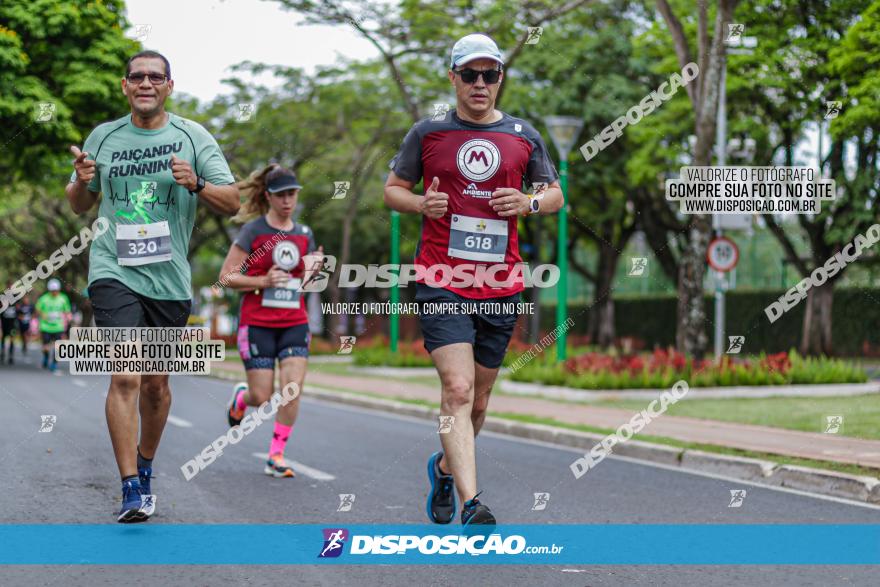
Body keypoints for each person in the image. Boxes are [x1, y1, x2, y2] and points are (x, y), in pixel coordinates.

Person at [384, 33, 562, 526]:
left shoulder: (524, 135)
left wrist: (528, 202)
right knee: (458, 390)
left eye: (490, 74)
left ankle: (443, 468)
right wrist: (421, 203)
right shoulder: (428, 133)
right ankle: (472, 502)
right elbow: (393, 189)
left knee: (480, 400)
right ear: (453, 78)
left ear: (500, 78)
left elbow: (554, 195)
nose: (480, 83)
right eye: (470, 74)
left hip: (502, 283)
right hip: (442, 276)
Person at [64, 50, 239, 522]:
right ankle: (128, 489)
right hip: (112, 269)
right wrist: (82, 182)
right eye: (137, 76)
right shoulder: (103, 136)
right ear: (125, 86)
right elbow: (80, 202)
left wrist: (198, 183)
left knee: (156, 387)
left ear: (168, 85)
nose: (145, 83)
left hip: (169, 279)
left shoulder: (192, 136)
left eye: (154, 77)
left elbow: (233, 201)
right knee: (125, 374)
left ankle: (144, 466)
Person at [220, 164, 321, 478]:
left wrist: (314, 270)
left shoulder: (305, 234)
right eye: (281, 195)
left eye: (292, 194)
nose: (288, 201)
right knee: (262, 397)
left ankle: (276, 454)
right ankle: (242, 397)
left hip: (294, 322)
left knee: (291, 389)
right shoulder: (253, 232)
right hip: (257, 323)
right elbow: (226, 277)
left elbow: (305, 281)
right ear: (268, 196)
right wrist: (262, 280)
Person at [35, 279, 71, 372]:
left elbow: (67, 311)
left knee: (58, 346)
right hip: (46, 326)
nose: (55, 292)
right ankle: (46, 357)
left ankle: (54, 363)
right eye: (53, 290)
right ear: (49, 290)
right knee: (46, 347)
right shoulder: (44, 299)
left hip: (58, 326)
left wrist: (68, 318)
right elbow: (37, 310)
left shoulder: (63, 298)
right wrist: (44, 316)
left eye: (56, 290)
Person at [1, 288, 17, 364]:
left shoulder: (15, 304)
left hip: (12, 326)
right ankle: (2, 353)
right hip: (4, 325)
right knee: (3, 339)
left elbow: (18, 314)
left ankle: (11, 356)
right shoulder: (3, 305)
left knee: (12, 339)